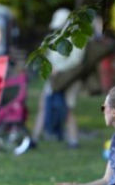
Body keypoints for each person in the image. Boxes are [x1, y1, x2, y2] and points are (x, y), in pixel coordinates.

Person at [31, 8, 86, 148]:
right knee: (43, 105)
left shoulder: (77, 37)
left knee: (66, 109)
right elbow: (48, 56)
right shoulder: (54, 37)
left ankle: (74, 141)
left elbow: (76, 60)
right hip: (53, 79)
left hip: (69, 80)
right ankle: (34, 139)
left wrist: (59, 70)